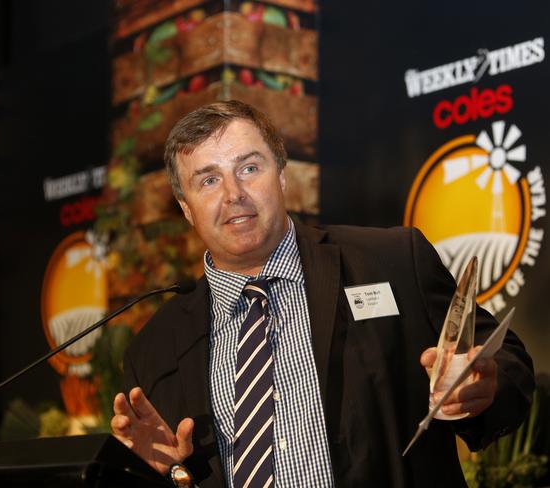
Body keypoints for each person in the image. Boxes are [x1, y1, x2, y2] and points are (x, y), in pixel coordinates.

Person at [110, 100, 534, 487]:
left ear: (281, 175)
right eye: (207, 180)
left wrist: (483, 387)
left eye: (249, 168)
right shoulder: (154, 351)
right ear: (186, 208)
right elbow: (169, 474)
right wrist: (165, 474)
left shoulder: (392, 260)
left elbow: (506, 362)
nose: (233, 194)